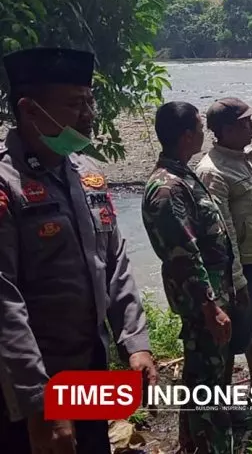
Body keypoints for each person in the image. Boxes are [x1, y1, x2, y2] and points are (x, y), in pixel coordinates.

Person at [0, 47, 157, 454]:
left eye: (90, 101)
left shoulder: (86, 174)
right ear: (29, 109)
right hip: (26, 385)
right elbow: (4, 301)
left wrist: (134, 340)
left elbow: (115, 261)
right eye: (74, 103)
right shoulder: (6, 186)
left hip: (89, 367)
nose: (88, 114)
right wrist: (39, 404)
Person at [140, 101, 234, 454]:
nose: (203, 133)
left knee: (204, 379)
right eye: (199, 127)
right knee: (208, 388)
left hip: (210, 298)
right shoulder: (168, 188)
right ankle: (210, 445)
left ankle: (191, 443)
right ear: (185, 135)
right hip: (200, 304)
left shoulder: (182, 174)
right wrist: (210, 307)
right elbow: (183, 254)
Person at [195, 97, 252, 388]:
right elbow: (222, 231)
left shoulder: (246, 159)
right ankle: (222, 401)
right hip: (243, 266)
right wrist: (236, 279)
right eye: (246, 122)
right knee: (233, 335)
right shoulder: (212, 171)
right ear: (227, 129)